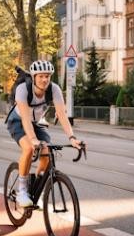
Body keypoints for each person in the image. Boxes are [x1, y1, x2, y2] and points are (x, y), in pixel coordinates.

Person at [6, 60, 85, 207]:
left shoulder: (54, 89)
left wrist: (72, 138)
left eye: (47, 76)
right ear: (34, 77)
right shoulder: (23, 89)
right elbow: (25, 118)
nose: (45, 79)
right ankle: (22, 191)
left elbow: (62, 114)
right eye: (41, 76)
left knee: (47, 154)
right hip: (18, 121)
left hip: (36, 123)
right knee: (29, 148)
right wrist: (33, 139)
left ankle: (37, 190)